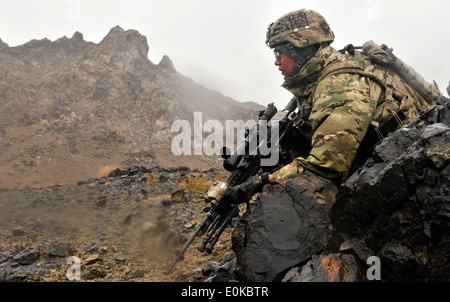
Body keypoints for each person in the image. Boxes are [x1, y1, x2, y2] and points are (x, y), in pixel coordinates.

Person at [231, 8, 439, 201]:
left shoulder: (339, 84)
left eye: (279, 54)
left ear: (298, 50)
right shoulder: (331, 70)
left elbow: (327, 168)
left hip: (420, 178)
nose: (276, 62)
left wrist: (258, 183)